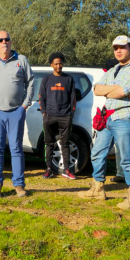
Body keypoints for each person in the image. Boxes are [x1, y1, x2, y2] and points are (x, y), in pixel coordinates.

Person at [79, 35, 130, 210]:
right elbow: (96, 89)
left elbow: (124, 91)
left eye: (122, 47)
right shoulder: (113, 70)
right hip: (108, 117)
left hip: (125, 117)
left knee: (127, 158)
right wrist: (114, 89)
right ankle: (98, 188)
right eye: (115, 47)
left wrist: (112, 90)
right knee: (97, 152)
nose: (118, 50)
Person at [0, 30, 34, 197]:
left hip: (15, 112)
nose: (4, 42)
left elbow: (31, 83)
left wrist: (24, 106)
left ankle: (19, 185)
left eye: (7, 39)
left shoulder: (21, 60)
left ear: (11, 42)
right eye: (0, 40)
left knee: (16, 148)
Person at [40, 52, 76, 180]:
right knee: (49, 143)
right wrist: (44, 112)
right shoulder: (46, 79)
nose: (58, 65)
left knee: (65, 143)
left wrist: (71, 114)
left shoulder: (69, 79)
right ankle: (49, 169)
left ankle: (66, 169)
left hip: (65, 116)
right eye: (56, 64)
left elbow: (73, 99)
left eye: (60, 63)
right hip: (49, 116)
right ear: (51, 65)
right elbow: (41, 97)